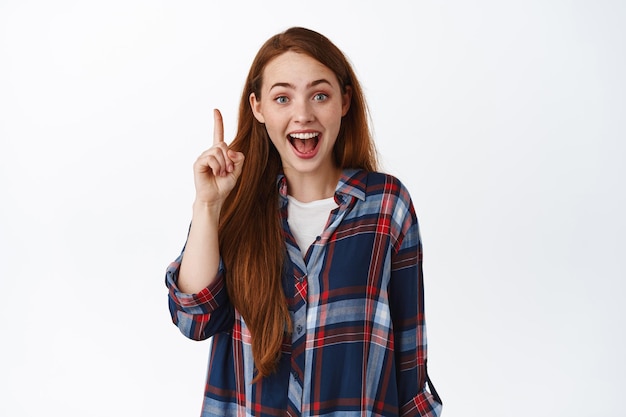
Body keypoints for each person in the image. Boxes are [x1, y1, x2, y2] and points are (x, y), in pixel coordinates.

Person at [165, 26, 442, 417]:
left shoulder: (386, 206)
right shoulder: (234, 204)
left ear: (344, 101)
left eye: (320, 95)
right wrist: (208, 206)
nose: (303, 115)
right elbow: (195, 319)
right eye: (283, 98)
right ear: (259, 108)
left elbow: (410, 362)